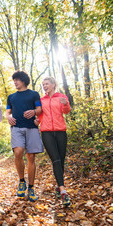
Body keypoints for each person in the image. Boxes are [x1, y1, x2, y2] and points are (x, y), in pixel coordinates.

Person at [6, 71, 44, 202]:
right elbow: (7, 111)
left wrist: (34, 111)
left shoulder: (34, 94)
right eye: (14, 80)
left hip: (32, 128)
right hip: (16, 128)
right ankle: (21, 181)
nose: (15, 82)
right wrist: (8, 117)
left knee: (31, 157)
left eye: (17, 80)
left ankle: (31, 187)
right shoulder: (11, 97)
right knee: (18, 152)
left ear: (24, 81)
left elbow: (39, 109)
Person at [35, 77, 71, 206]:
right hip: (46, 132)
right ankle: (63, 190)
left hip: (60, 131)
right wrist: (37, 121)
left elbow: (66, 111)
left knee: (61, 160)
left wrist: (66, 104)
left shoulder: (61, 97)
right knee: (55, 159)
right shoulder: (41, 100)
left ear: (53, 84)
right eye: (43, 84)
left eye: (47, 84)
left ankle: (58, 186)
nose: (44, 86)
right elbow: (40, 114)